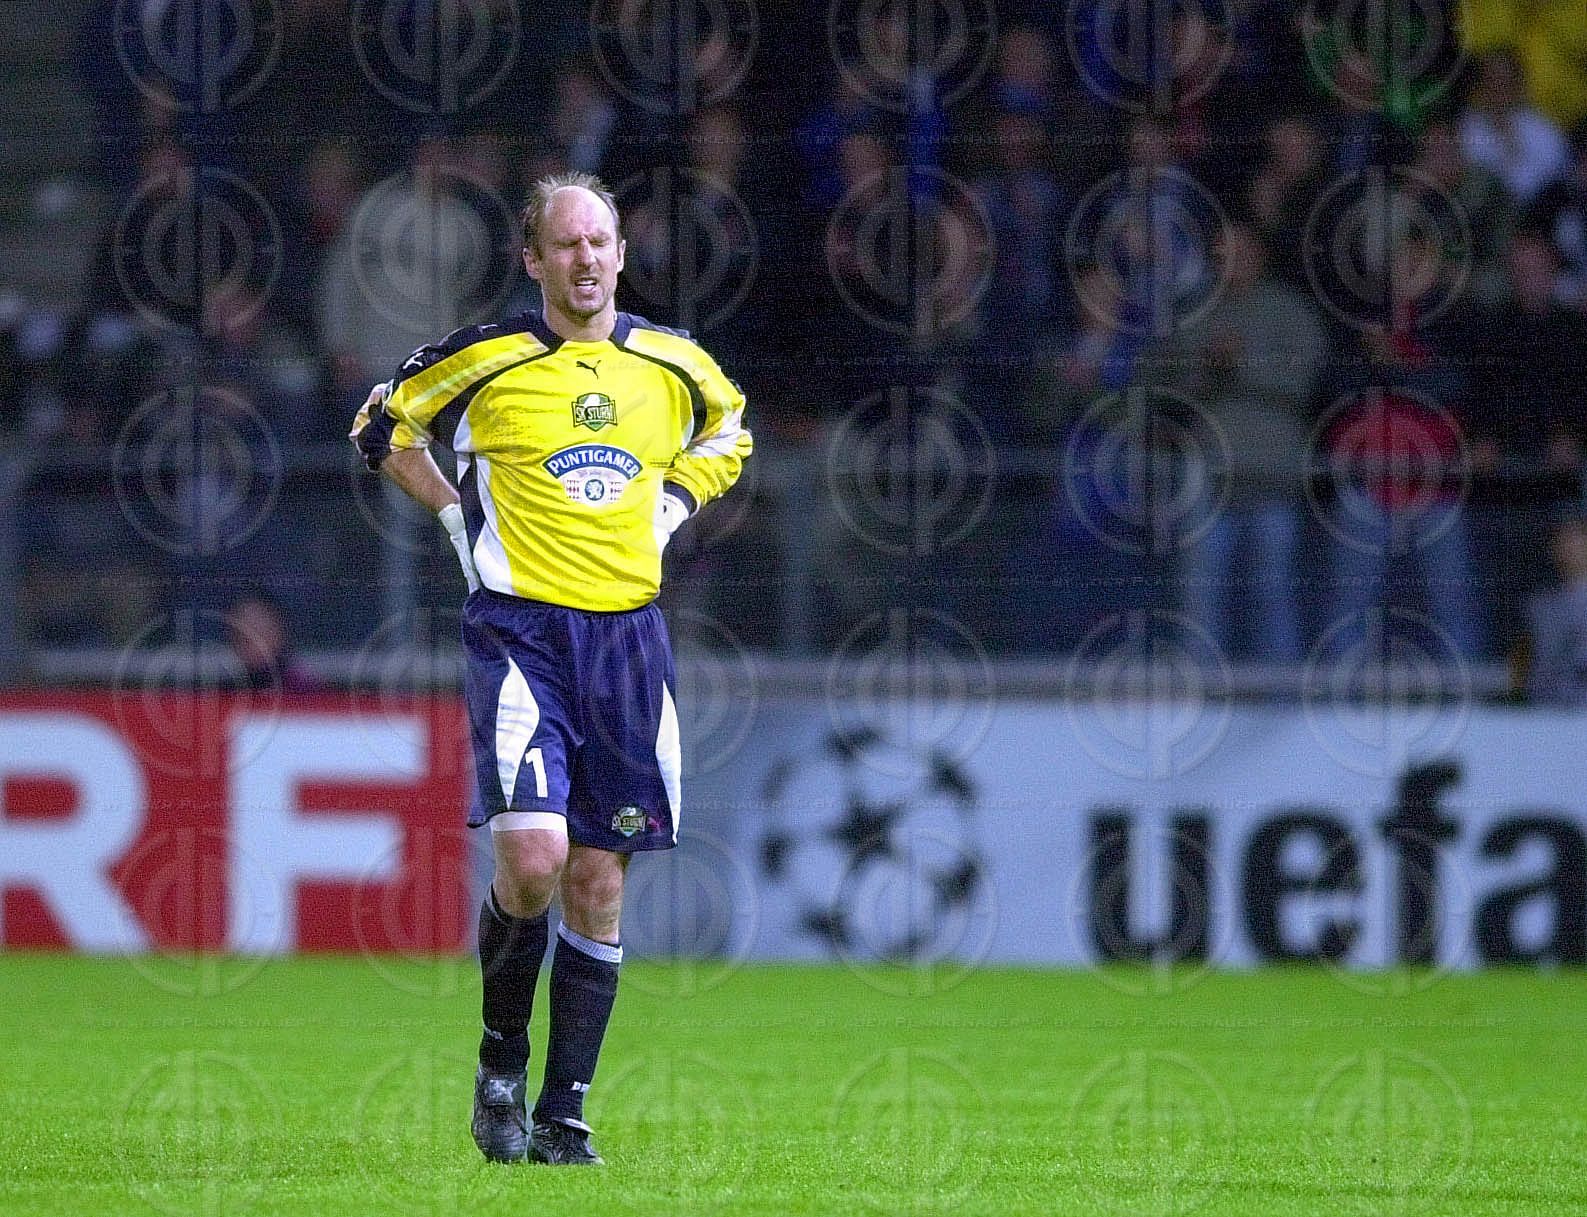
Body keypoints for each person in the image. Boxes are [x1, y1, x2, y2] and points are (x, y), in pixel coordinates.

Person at [349, 171, 752, 1165]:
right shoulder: (486, 359)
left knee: (597, 882)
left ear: (621, 253)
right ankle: (500, 1060)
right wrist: (455, 516)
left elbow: (730, 426)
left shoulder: (672, 362)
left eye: (600, 241)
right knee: (532, 861)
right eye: (566, 243)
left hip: (627, 642)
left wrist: (673, 502)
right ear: (533, 259)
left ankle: (563, 1113)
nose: (586, 258)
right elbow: (379, 425)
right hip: (521, 636)